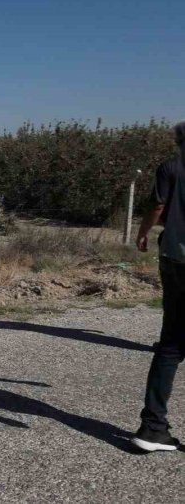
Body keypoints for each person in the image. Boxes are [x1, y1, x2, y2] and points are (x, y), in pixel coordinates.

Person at [130, 121, 185, 452]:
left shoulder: (170, 167)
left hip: (173, 258)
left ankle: (152, 426)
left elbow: (158, 206)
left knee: (170, 344)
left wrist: (142, 232)